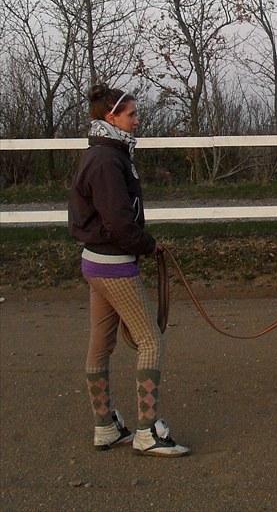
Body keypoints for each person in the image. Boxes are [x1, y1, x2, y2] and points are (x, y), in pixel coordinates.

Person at [68, 83, 189, 457]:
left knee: (101, 345)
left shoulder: (103, 154)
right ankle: (147, 430)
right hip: (114, 265)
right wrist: (148, 245)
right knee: (150, 341)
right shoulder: (107, 160)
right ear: (111, 117)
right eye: (132, 114)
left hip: (95, 261)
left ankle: (106, 426)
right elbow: (120, 222)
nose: (138, 120)